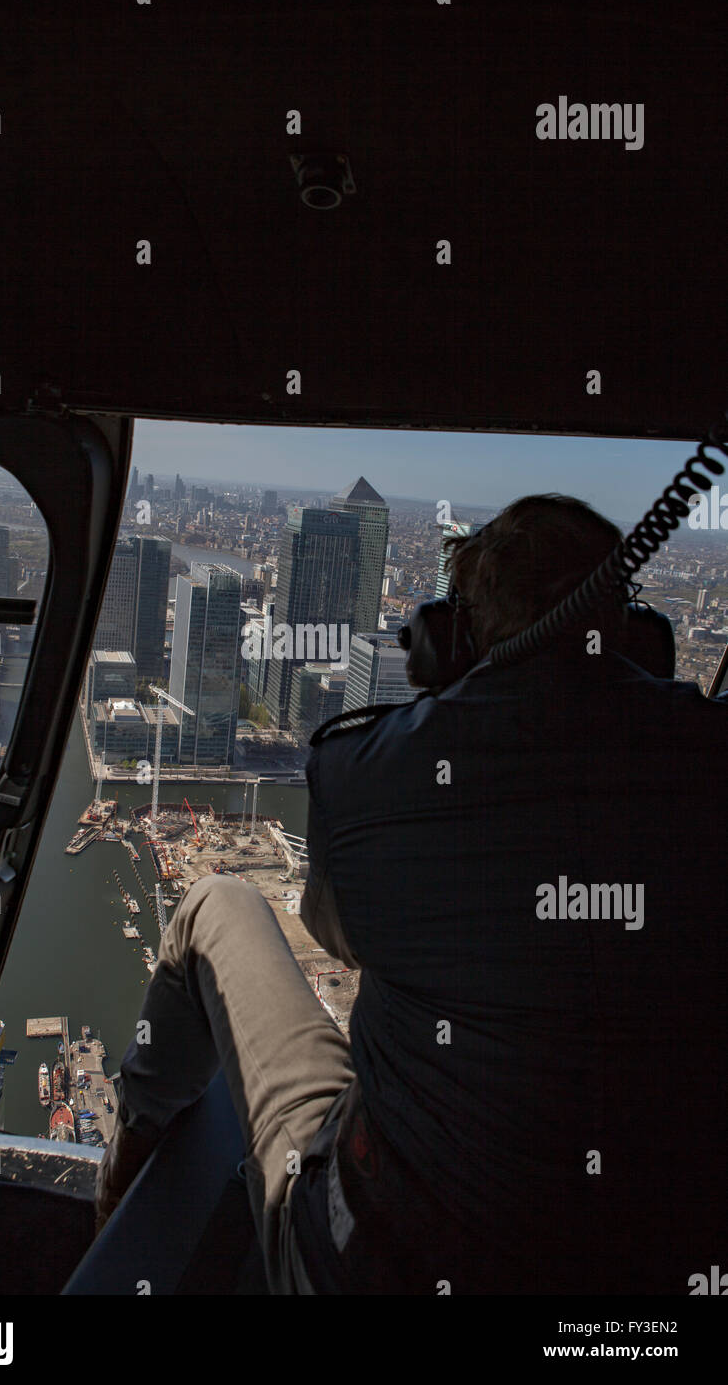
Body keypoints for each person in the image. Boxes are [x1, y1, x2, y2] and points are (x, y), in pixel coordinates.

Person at [96, 493, 727, 1294]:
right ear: (638, 637)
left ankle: (120, 1189)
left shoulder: (374, 770)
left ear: (450, 643)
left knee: (216, 902)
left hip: (368, 1266)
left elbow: (335, 934)